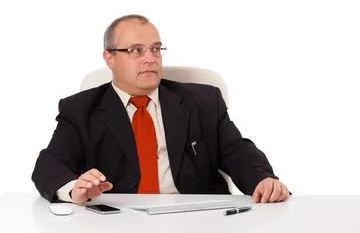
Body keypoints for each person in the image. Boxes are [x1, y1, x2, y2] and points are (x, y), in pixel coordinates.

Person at [31, 14, 289, 204]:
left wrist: (262, 179)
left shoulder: (203, 101)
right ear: (110, 58)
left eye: (156, 48)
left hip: (198, 217)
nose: (150, 58)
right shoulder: (80, 109)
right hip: (117, 220)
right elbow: (50, 164)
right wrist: (75, 187)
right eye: (136, 50)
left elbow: (237, 151)